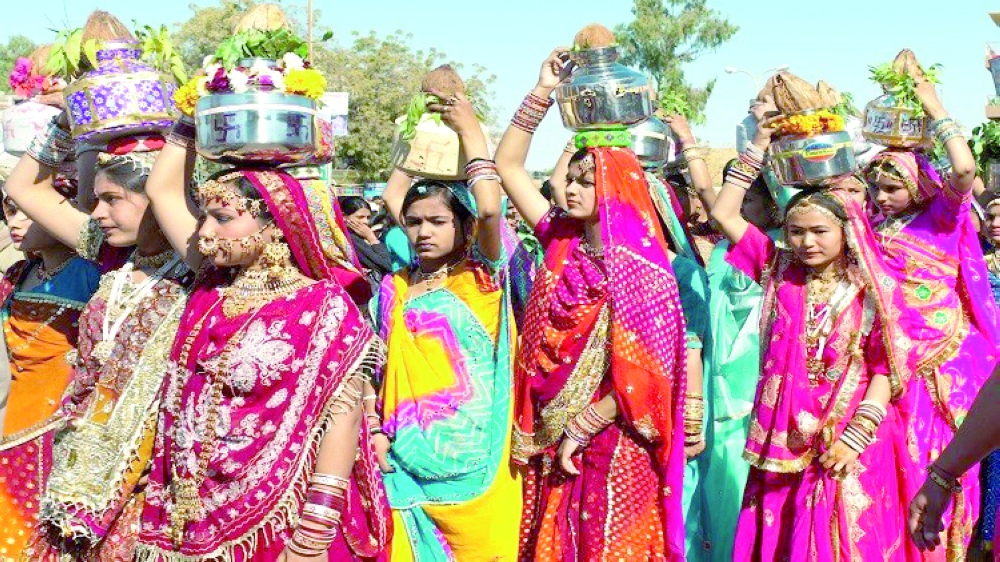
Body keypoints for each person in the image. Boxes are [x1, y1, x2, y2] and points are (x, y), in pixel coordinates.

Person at [125, 115, 390, 561]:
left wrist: (312, 537)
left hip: (279, 520)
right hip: (185, 514)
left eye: (222, 218)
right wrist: (195, 116)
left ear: (275, 225)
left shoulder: (321, 306)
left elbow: (341, 422)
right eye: (206, 217)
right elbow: (162, 190)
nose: (205, 232)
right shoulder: (210, 285)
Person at [497, 47, 688, 561]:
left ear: (618, 187)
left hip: (616, 436)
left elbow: (650, 374)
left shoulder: (645, 271)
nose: (572, 188)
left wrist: (585, 425)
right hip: (551, 431)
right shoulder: (561, 239)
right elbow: (508, 167)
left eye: (587, 181)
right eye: (572, 179)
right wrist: (541, 92)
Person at [711, 108, 920, 560]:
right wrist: (758, 146)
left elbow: (886, 366)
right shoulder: (777, 269)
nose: (807, 242)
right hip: (780, 441)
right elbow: (723, 211)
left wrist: (855, 436)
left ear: (846, 232)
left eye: (819, 231)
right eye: (796, 231)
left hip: (845, 439)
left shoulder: (871, 285)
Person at [5, 110, 189, 561]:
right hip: (79, 465)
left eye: (112, 199)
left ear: (155, 198)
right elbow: (23, 188)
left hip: (152, 473)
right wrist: (69, 121)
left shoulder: (195, 266)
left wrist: (187, 120)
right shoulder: (109, 256)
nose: (97, 212)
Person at [371, 88, 520, 561]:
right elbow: (377, 369)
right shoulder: (395, 284)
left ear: (464, 226)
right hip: (400, 460)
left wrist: (469, 131)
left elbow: (491, 208)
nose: (423, 231)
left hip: (478, 466)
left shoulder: (479, 277)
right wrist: (418, 137)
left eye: (437, 220)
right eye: (413, 222)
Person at [866, 77, 1000, 557]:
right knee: (891, 463)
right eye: (875, 187)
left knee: (940, 462)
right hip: (889, 364)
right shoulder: (871, 226)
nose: (880, 197)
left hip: (944, 365)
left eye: (891, 187)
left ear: (917, 184)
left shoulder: (940, 217)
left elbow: (963, 169)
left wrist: (933, 104)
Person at [0, 192, 100, 559]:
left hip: (58, 431)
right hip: (11, 423)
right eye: (10, 211)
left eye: (27, 210)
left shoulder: (93, 274)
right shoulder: (17, 275)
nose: (14, 222)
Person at [339, 196, 392, 291]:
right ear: (343, 216)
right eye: (360, 217)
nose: (365, 222)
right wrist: (371, 238)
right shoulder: (350, 238)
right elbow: (387, 265)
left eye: (368, 217)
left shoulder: (356, 236)